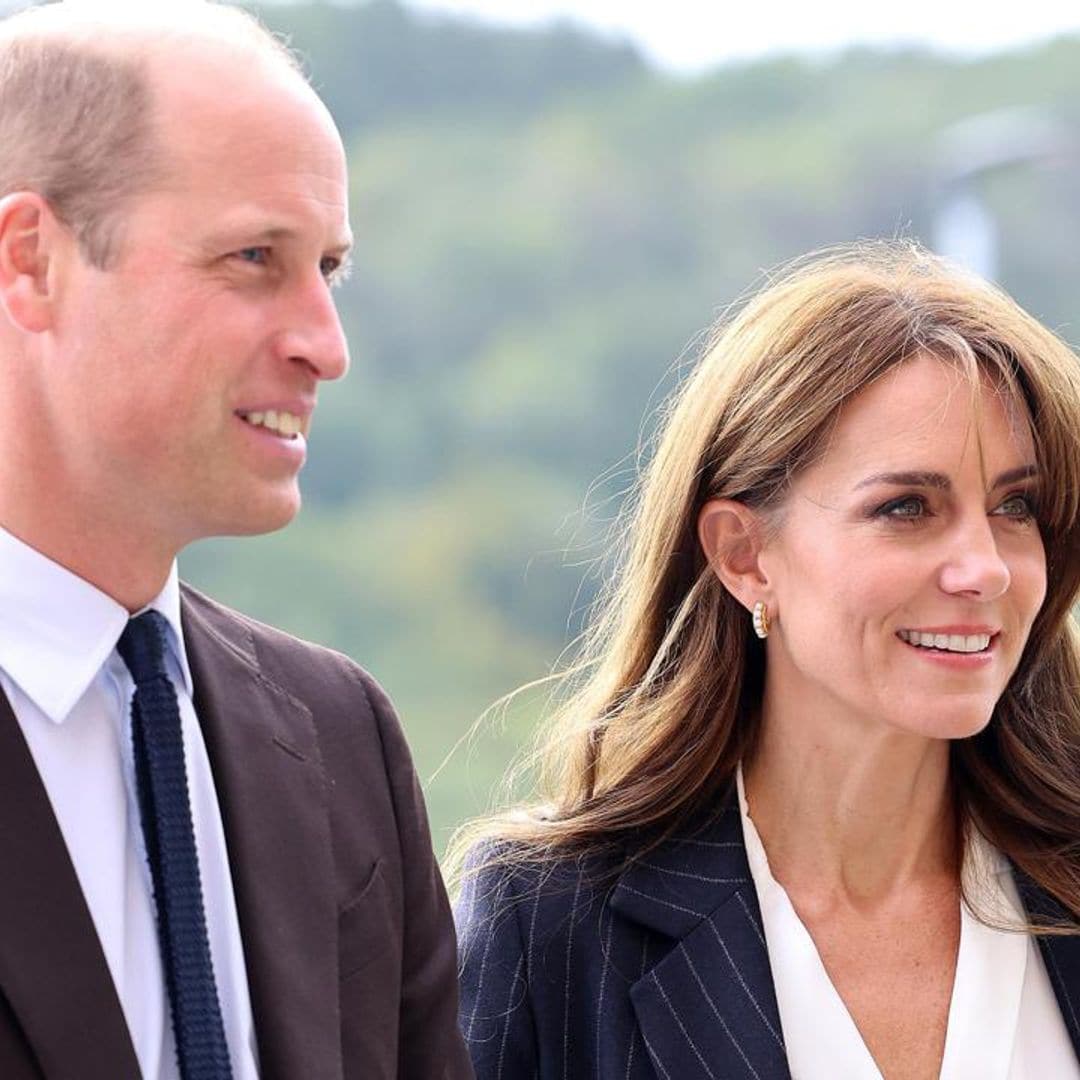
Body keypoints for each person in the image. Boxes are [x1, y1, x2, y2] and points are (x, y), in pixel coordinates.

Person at [454, 242, 1080, 1079]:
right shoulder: (552, 923)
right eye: (907, 507)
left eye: (1014, 506)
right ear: (744, 555)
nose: (986, 569)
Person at [0, 4, 471, 1078]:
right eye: (255, 257)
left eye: (330, 269)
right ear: (33, 261)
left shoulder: (338, 735)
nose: (326, 345)